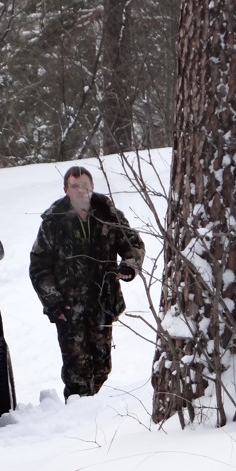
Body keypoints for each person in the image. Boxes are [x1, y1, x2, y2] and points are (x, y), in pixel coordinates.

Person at [29, 165, 145, 400]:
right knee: (76, 371)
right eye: (75, 186)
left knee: (102, 367)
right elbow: (39, 267)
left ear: (92, 188)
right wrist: (54, 303)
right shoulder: (54, 222)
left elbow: (133, 245)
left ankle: (93, 412)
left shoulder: (108, 215)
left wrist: (128, 267)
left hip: (102, 303)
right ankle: (75, 415)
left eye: (85, 186)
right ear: (66, 189)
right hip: (69, 308)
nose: (81, 191)